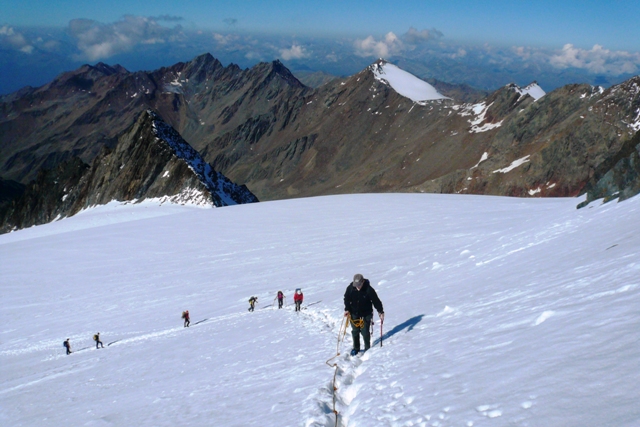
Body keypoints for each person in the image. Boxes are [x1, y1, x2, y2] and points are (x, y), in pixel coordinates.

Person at [344, 274, 384, 356]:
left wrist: (380, 312)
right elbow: (346, 298)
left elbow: (376, 301)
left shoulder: (369, 289)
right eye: (356, 285)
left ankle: (367, 348)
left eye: (359, 285)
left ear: (362, 282)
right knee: (355, 331)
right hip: (354, 313)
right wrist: (347, 309)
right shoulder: (351, 288)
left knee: (365, 332)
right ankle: (356, 348)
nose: (357, 287)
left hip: (366, 314)